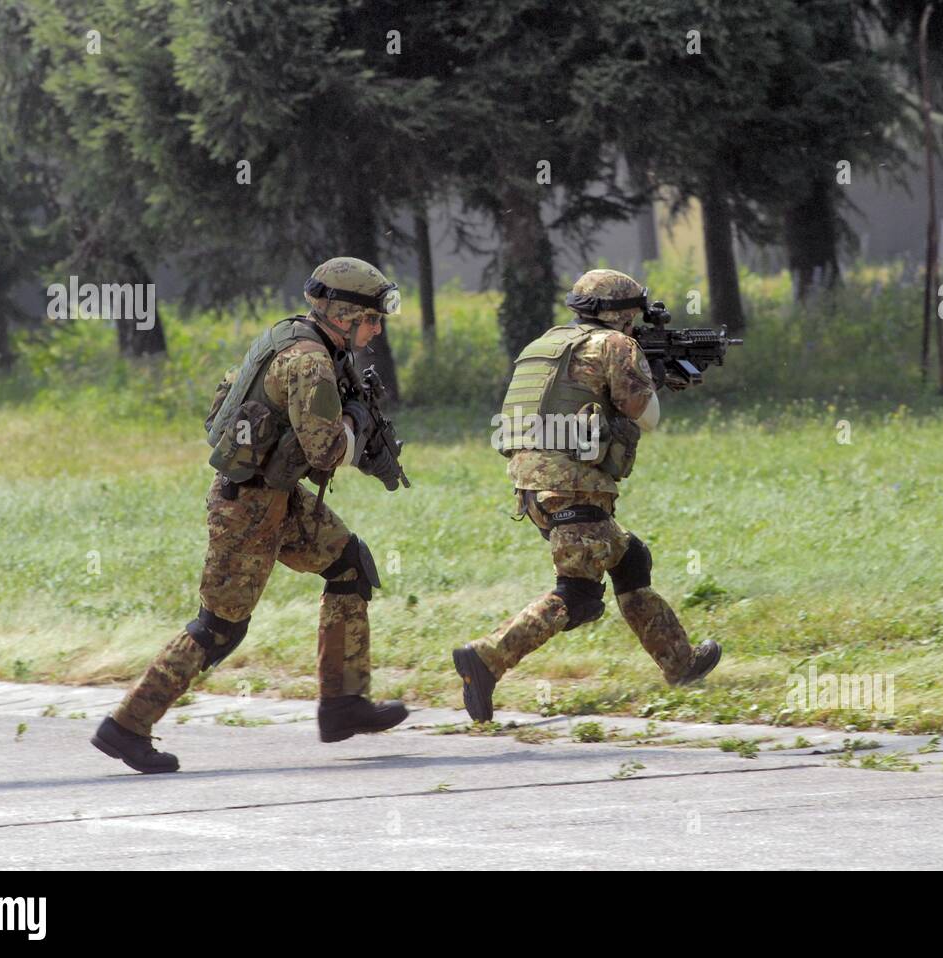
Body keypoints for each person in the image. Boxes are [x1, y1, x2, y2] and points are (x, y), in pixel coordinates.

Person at [92, 256, 407, 773]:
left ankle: (343, 704)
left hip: (273, 496)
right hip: (249, 508)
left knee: (349, 564)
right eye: (371, 318)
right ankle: (127, 726)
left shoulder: (289, 336)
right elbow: (325, 451)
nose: (377, 329)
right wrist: (355, 423)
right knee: (219, 628)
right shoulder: (311, 361)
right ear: (344, 315)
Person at [453, 268, 720, 721]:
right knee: (576, 595)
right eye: (634, 316)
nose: (637, 324)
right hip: (573, 484)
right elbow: (646, 416)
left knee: (630, 558)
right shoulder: (617, 346)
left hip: (534, 487)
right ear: (619, 314)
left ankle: (681, 665)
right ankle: (485, 659)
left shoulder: (545, 345)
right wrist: (651, 377)